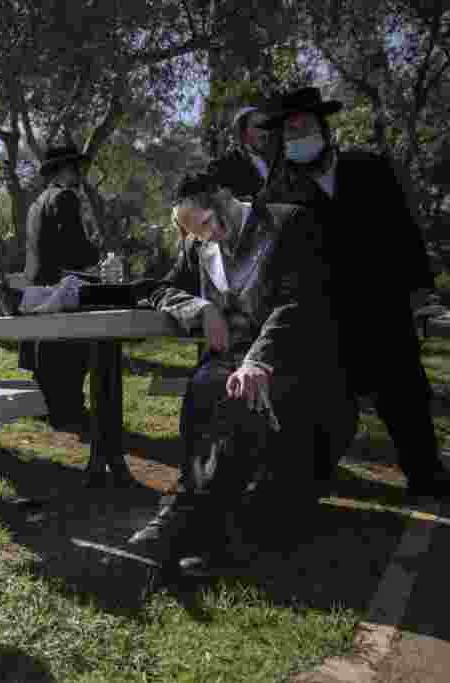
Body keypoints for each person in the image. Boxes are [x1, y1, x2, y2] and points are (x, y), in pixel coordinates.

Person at [256, 86, 450, 498]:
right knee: (325, 404)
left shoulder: (371, 168)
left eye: (305, 127)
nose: (298, 137)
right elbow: (273, 264)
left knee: (405, 393)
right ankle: (312, 478)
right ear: (282, 140)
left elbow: (405, 234)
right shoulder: (275, 194)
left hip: (382, 306)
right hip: (320, 317)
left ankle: (427, 475)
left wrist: (421, 294)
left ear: (324, 127)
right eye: (290, 131)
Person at [128, 171, 341, 577]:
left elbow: (302, 301)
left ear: (224, 194)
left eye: (209, 222)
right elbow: (155, 288)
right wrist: (200, 308)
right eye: (197, 234)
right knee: (206, 385)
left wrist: (259, 359)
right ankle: (192, 520)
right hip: (228, 359)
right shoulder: (200, 246)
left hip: (290, 355)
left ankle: (193, 527)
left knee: (235, 397)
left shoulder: (289, 222)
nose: (211, 236)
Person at [20, 144, 103, 433]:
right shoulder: (66, 197)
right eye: (74, 167)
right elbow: (73, 246)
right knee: (70, 350)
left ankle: (50, 406)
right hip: (61, 283)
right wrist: (95, 255)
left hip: (39, 285)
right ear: (61, 170)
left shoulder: (37, 202)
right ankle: (67, 410)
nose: (79, 173)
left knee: (49, 349)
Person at [207, 105, 273, 200]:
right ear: (242, 131)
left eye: (266, 127)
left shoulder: (275, 163)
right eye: (258, 126)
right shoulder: (222, 167)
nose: (264, 133)